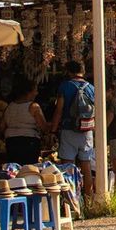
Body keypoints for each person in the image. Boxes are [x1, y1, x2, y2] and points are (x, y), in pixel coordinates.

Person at [50, 59, 95, 199]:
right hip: (86, 130)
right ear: (83, 71)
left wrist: (53, 129)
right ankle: (89, 202)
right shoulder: (91, 88)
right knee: (86, 166)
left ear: (69, 72)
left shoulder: (65, 86)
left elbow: (59, 110)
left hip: (69, 129)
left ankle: (71, 203)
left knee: (68, 168)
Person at [3, 78, 49, 165]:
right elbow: (44, 127)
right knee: (29, 168)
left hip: (11, 141)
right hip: (29, 142)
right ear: (29, 92)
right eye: (35, 90)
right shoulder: (34, 107)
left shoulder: (10, 106)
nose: (37, 93)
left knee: (14, 168)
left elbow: (2, 126)